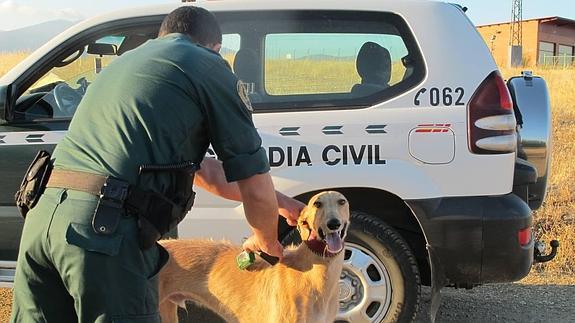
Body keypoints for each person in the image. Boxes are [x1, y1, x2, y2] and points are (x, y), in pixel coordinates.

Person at [11, 6, 304, 323]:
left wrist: (281, 203)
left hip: (41, 222)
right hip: (103, 232)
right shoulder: (208, 66)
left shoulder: (126, 65)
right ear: (215, 46)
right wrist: (266, 241)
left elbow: (207, 173)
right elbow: (252, 178)